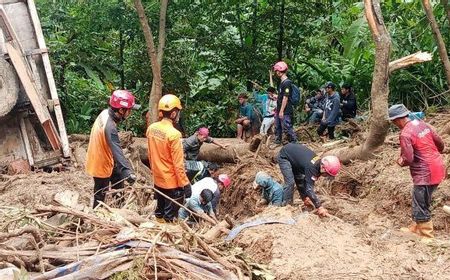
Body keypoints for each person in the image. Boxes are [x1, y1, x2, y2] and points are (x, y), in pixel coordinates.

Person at [388, 104, 445, 239]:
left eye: (393, 122)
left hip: (424, 173)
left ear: (397, 120)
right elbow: (440, 144)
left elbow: (408, 158)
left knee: (421, 203)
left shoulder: (405, 134)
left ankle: (427, 235)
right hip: (437, 167)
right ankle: (415, 227)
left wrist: (400, 161)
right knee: (420, 199)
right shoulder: (422, 124)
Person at [86, 90, 139, 208]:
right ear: (121, 110)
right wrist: (127, 171)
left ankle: (118, 209)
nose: (129, 113)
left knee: (119, 183)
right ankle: (96, 217)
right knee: (100, 196)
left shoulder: (105, 113)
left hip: (103, 157)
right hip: (101, 163)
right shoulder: (110, 127)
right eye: (129, 110)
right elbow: (117, 149)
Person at [147, 94, 191, 223]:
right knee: (169, 217)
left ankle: (157, 231)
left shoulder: (151, 129)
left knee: (159, 212)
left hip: (158, 178)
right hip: (171, 182)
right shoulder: (174, 135)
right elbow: (178, 164)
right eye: (178, 112)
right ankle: (167, 236)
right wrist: (185, 183)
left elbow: (150, 154)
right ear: (173, 114)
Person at [277, 143, 341, 217]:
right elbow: (309, 189)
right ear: (323, 168)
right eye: (327, 174)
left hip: (295, 158)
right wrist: (319, 206)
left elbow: (302, 182)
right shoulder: (312, 167)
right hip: (285, 156)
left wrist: (305, 198)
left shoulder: (318, 165)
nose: (326, 176)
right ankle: (285, 208)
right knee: (290, 182)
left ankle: (301, 200)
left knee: (299, 177)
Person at [273, 61, 297, 144]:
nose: (276, 73)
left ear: (279, 71)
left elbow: (285, 97)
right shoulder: (282, 83)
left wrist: (282, 111)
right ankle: (277, 141)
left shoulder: (287, 83)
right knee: (277, 126)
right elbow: (282, 96)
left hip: (285, 110)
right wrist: (277, 96)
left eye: (276, 71)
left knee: (287, 126)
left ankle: (294, 142)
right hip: (279, 108)